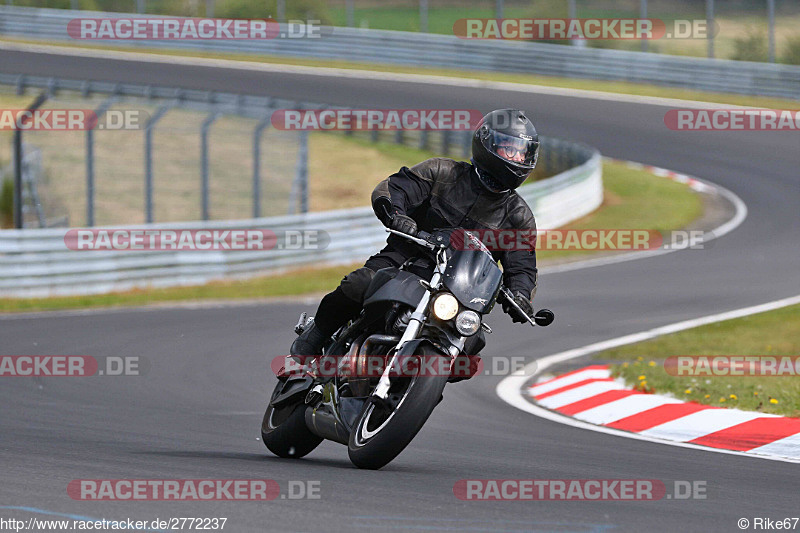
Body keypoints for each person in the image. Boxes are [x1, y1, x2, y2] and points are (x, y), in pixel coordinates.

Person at [290, 108, 540, 358]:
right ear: (487, 143)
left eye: (522, 153)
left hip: (459, 290)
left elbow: (522, 267)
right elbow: (393, 189)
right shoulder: (442, 172)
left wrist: (520, 294)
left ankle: (414, 391)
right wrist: (397, 216)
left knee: (471, 348)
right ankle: (316, 335)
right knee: (360, 283)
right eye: (510, 149)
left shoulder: (519, 217)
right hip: (403, 261)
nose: (516, 158)